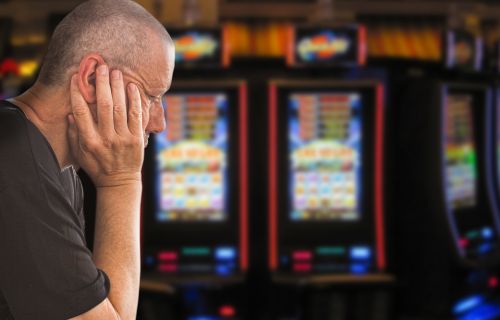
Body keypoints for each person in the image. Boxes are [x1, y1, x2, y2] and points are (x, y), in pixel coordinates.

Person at [0, 0, 174, 319]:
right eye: (151, 96)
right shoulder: (16, 159)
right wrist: (121, 181)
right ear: (92, 78)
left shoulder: (54, 165)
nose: (159, 123)